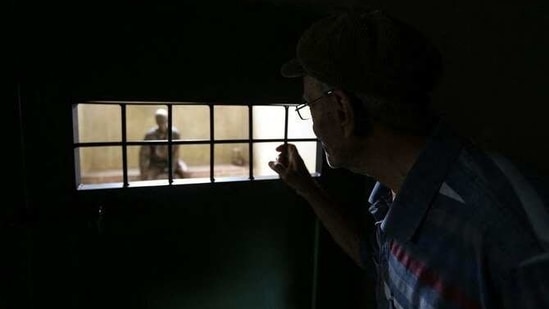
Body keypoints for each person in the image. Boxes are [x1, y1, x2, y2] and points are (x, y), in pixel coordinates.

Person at [268, 8, 548, 309]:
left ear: (341, 109)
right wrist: (307, 189)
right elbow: (378, 262)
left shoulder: (510, 237)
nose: (312, 124)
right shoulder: (399, 194)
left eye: (310, 105)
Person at [139, 108, 188, 180]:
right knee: (148, 178)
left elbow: (175, 154)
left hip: (172, 162)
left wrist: (171, 169)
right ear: (156, 121)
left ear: (167, 119)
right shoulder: (150, 135)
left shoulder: (174, 133)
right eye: (159, 120)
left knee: (185, 172)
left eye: (163, 120)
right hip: (156, 164)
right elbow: (144, 155)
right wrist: (143, 171)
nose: (161, 123)